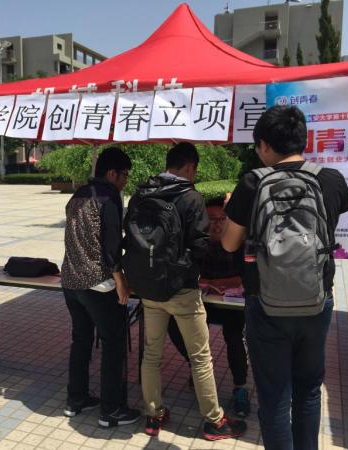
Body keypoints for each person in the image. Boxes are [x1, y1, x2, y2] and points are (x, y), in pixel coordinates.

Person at [222, 105, 348, 450]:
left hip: (265, 303)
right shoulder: (331, 179)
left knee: (274, 396)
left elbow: (229, 243)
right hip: (316, 300)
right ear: (302, 139)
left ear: (264, 144)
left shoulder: (252, 182)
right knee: (308, 390)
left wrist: (234, 208)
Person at [133, 143, 246, 440]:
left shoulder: (142, 193)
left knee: (152, 354)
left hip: (148, 287)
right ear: (190, 167)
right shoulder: (190, 196)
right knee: (201, 357)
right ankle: (214, 421)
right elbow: (200, 245)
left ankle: (153, 415)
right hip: (181, 290)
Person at [60, 147, 140, 428]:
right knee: (113, 343)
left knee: (81, 340)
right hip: (98, 283)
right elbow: (111, 245)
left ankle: (76, 399)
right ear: (111, 173)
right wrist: (121, 282)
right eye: (124, 175)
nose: (125, 181)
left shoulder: (77, 194)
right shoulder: (109, 196)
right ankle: (111, 410)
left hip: (70, 281)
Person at [167, 197, 250, 417]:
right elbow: (188, 274)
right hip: (202, 303)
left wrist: (212, 282)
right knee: (173, 323)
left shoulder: (238, 244)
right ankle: (198, 367)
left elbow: (242, 278)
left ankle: (240, 387)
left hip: (231, 306)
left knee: (235, 337)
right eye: (211, 219)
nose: (217, 224)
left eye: (222, 219)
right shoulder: (196, 242)